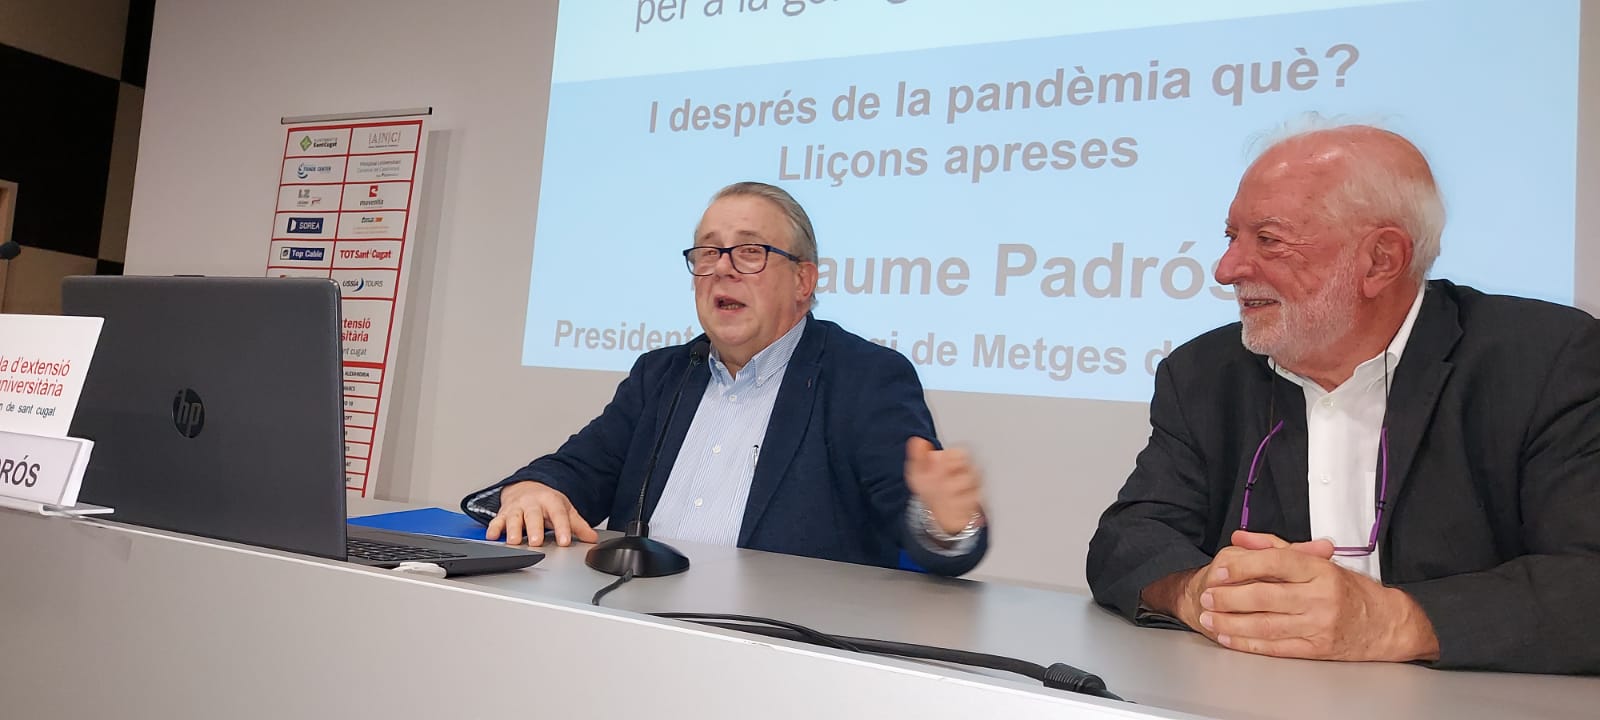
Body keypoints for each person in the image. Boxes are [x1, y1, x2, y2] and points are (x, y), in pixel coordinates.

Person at [1085, 121, 1600, 674]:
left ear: (1381, 259)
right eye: (1231, 236)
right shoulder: (1205, 374)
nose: (1226, 269)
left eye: (1269, 240)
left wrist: (1391, 620)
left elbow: (1585, 579)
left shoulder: (1546, 361)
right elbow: (1128, 538)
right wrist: (1198, 591)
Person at [463, 181, 988, 576]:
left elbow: (927, 534)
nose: (723, 268)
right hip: (627, 623)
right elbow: (579, 470)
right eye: (709, 252)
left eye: (751, 251)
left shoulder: (863, 378)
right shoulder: (663, 374)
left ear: (803, 280)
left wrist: (945, 521)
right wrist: (533, 490)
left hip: (777, 649)